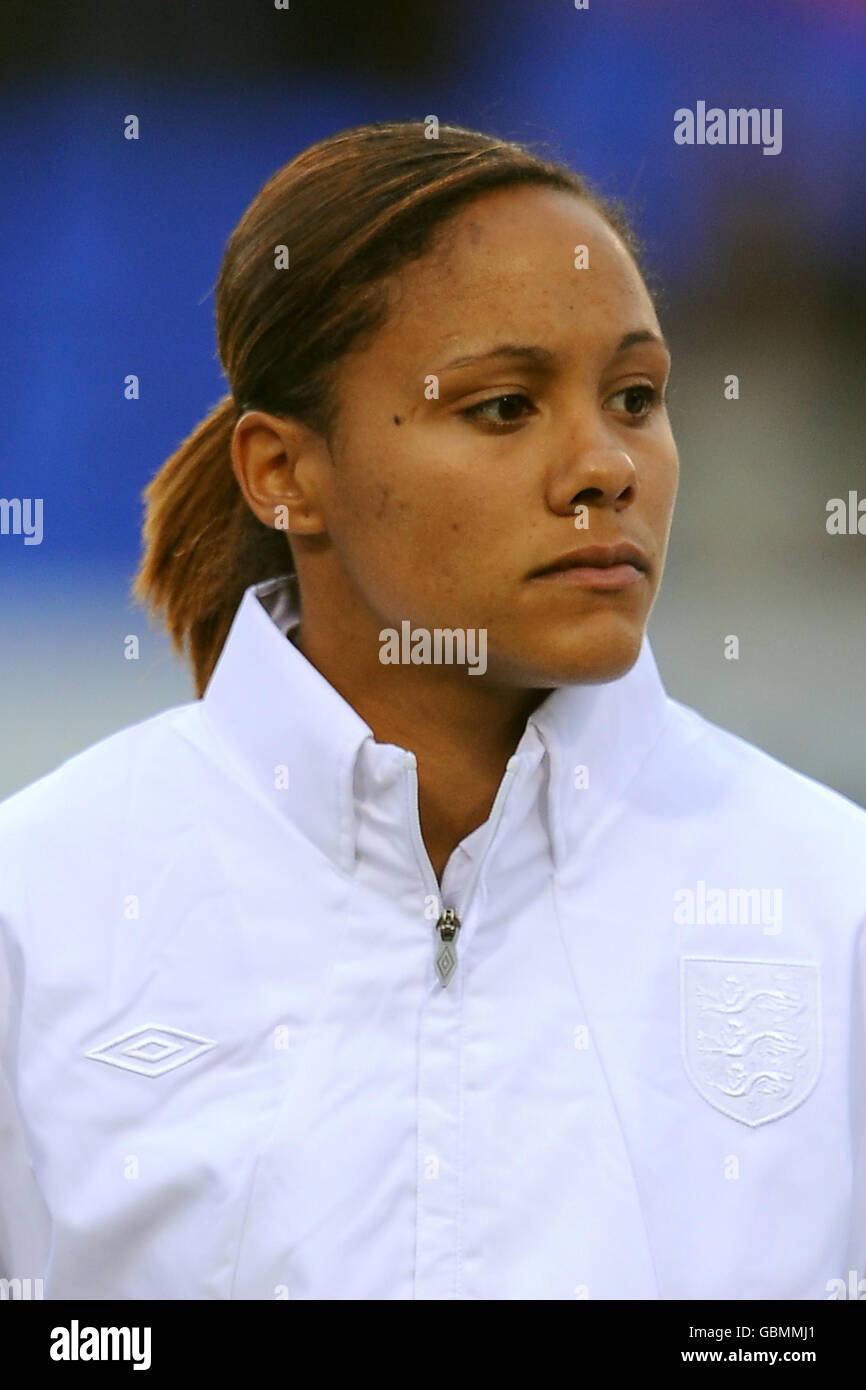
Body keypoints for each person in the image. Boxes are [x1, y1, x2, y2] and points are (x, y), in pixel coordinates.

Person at [1, 120, 864, 1301]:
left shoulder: (831, 900)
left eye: (633, 395)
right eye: (504, 406)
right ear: (283, 472)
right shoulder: (39, 906)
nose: (605, 464)